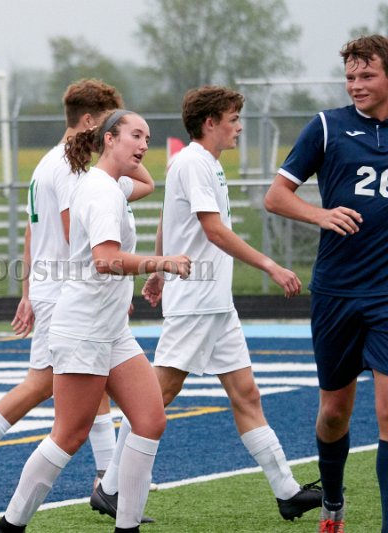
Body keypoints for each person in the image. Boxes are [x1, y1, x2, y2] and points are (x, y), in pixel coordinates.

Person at [0, 79, 156, 499]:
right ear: (89, 121)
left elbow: (32, 231)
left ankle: (105, 480)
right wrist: (100, 287)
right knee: (44, 384)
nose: (112, 134)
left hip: (55, 288)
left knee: (90, 380)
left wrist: (28, 291)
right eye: (108, 125)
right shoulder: (70, 167)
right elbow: (71, 235)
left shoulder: (52, 161)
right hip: (68, 291)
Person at [0, 109, 191, 533]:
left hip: (110, 328)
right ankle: (10, 526)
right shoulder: (100, 190)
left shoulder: (109, 184)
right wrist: (162, 263)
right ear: (109, 139)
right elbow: (105, 260)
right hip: (83, 328)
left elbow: (142, 185)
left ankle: (127, 527)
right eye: (135, 135)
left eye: (148, 137)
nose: (144, 144)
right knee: (69, 434)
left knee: (150, 420)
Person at [131, 85, 321, 524]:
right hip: (196, 300)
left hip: (216, 303)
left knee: (246, 394)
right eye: (233, 119)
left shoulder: (205, 163)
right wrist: (270, 265)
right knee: (156, 397)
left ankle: (287, 492)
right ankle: (112, 487)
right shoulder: (194, 161)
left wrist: (157, 270)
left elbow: (168, 220)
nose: (239, 127)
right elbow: (213, 230)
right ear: (210, 122)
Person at [264, 34, 388, 533]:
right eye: (350, 77)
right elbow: (276, 196)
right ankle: (333, 501)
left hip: (386, 295)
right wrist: (320, 214)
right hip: (336, 292)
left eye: (367, 75)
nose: (356, 84)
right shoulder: (326, 125)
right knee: (334, 413)